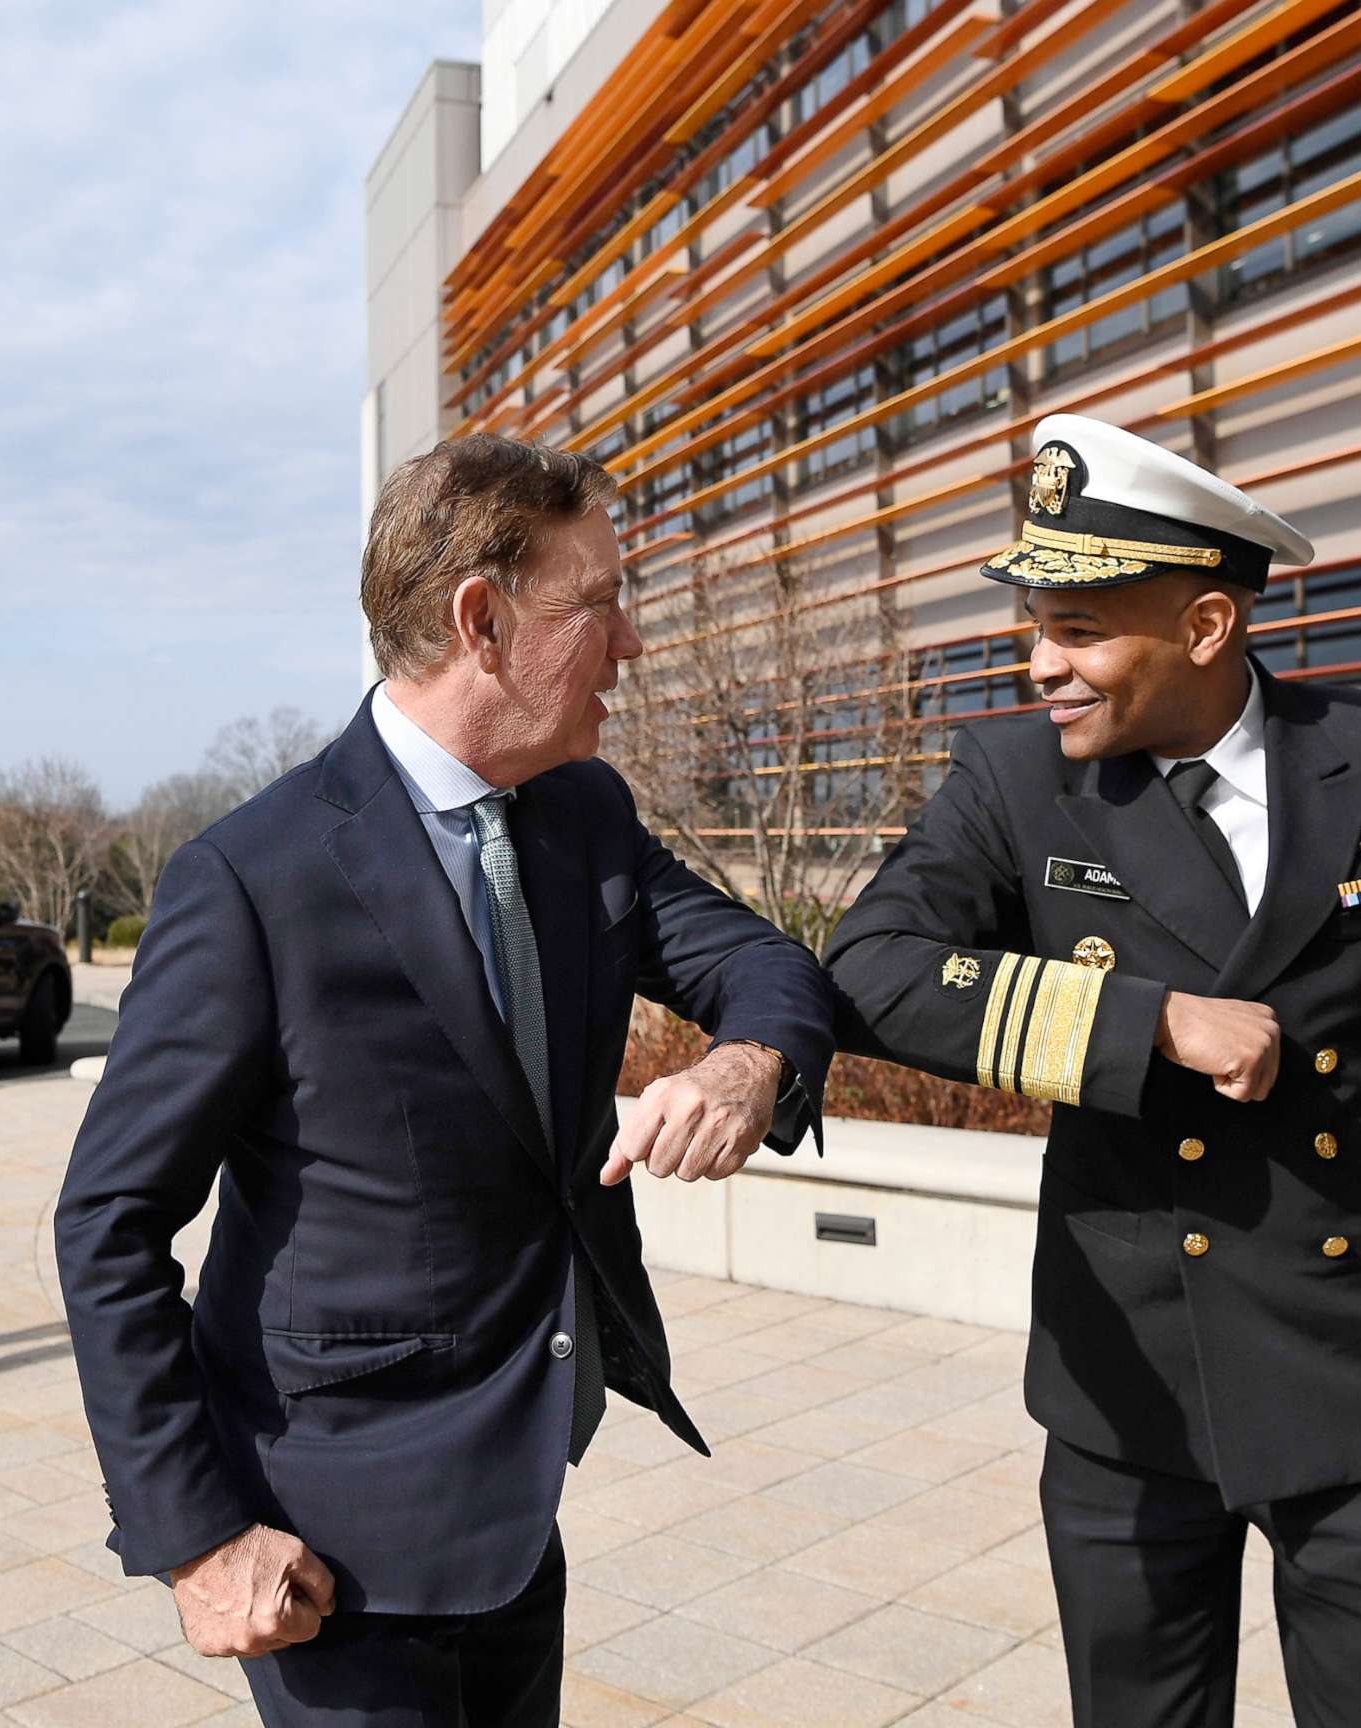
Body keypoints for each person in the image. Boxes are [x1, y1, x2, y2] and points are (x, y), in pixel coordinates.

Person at [825, 413, 1361, 1725]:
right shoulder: (1011, 779)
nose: (1040, 664)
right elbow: (872, 968)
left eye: (1077, 630)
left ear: (1208, 628)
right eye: (1034, 627)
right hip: (1130, 1393)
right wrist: (1149, 1023)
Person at [54, 432, 835, 1727]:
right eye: (597, 604)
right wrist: (196, 1542)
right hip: (330, 1547)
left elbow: (760, 962)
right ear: (483, 620)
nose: (629, 642)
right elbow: (107, 1224)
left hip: (519, 1501)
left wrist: (749, 1065)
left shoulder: (583, 814)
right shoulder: (256, 881)